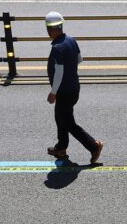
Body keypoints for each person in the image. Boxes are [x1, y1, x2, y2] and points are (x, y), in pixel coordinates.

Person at [45, 11, 104, 165]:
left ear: (50, 29)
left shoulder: (57, 47)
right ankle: (61, 147)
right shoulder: (71, 41)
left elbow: (58, 72)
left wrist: (53, 92)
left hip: (64, 91)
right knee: (61, 117)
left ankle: (93, 146)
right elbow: (79, 60)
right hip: (74, 88)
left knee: (68, 122)